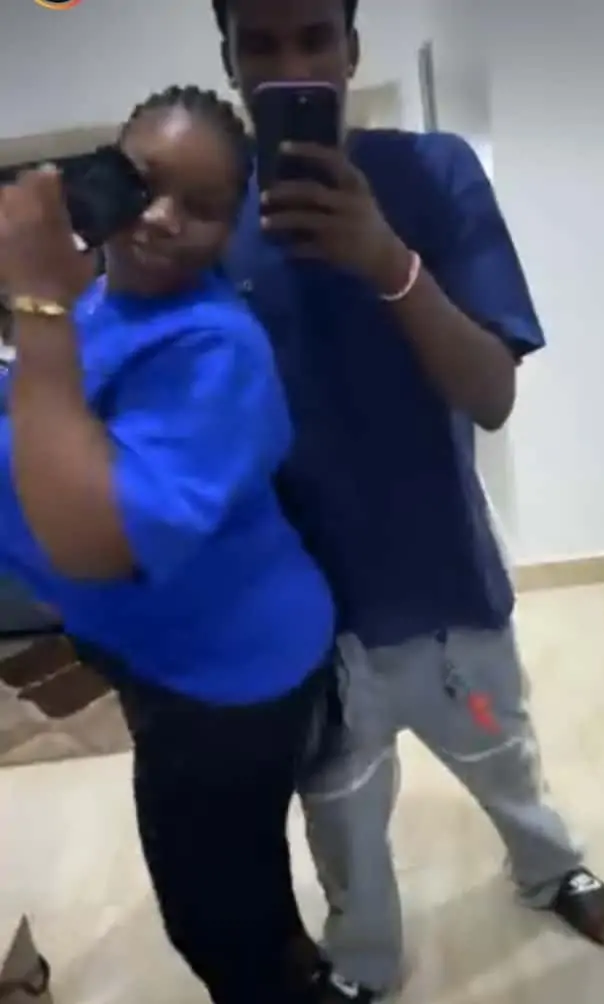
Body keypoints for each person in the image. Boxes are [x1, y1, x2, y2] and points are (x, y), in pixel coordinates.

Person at [210, 0, 604, 1000]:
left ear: (351, 48)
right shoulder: (205, 216)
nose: (289, 63)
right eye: (258, 43)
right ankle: (364, 961)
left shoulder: (436, 174)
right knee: (341, 818)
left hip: (446, 592)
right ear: (227, 60)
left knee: (501, 748)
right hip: (311, 623)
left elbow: (492, 393)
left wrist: (385, 260)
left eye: (314, 36)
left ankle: (549, 870)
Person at [0, 85, 336, 1004]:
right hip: (169, 662)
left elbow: (98, 539)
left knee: (206, 914)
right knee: (244, 869)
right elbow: (40, 420)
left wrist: (36, 306)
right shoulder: (98, 303)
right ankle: (293, 964)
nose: (160, 218)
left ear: (234, 226)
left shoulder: (216, 347)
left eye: (203, 206)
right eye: (142, 184)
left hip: (231, 680)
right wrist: (44, 309)